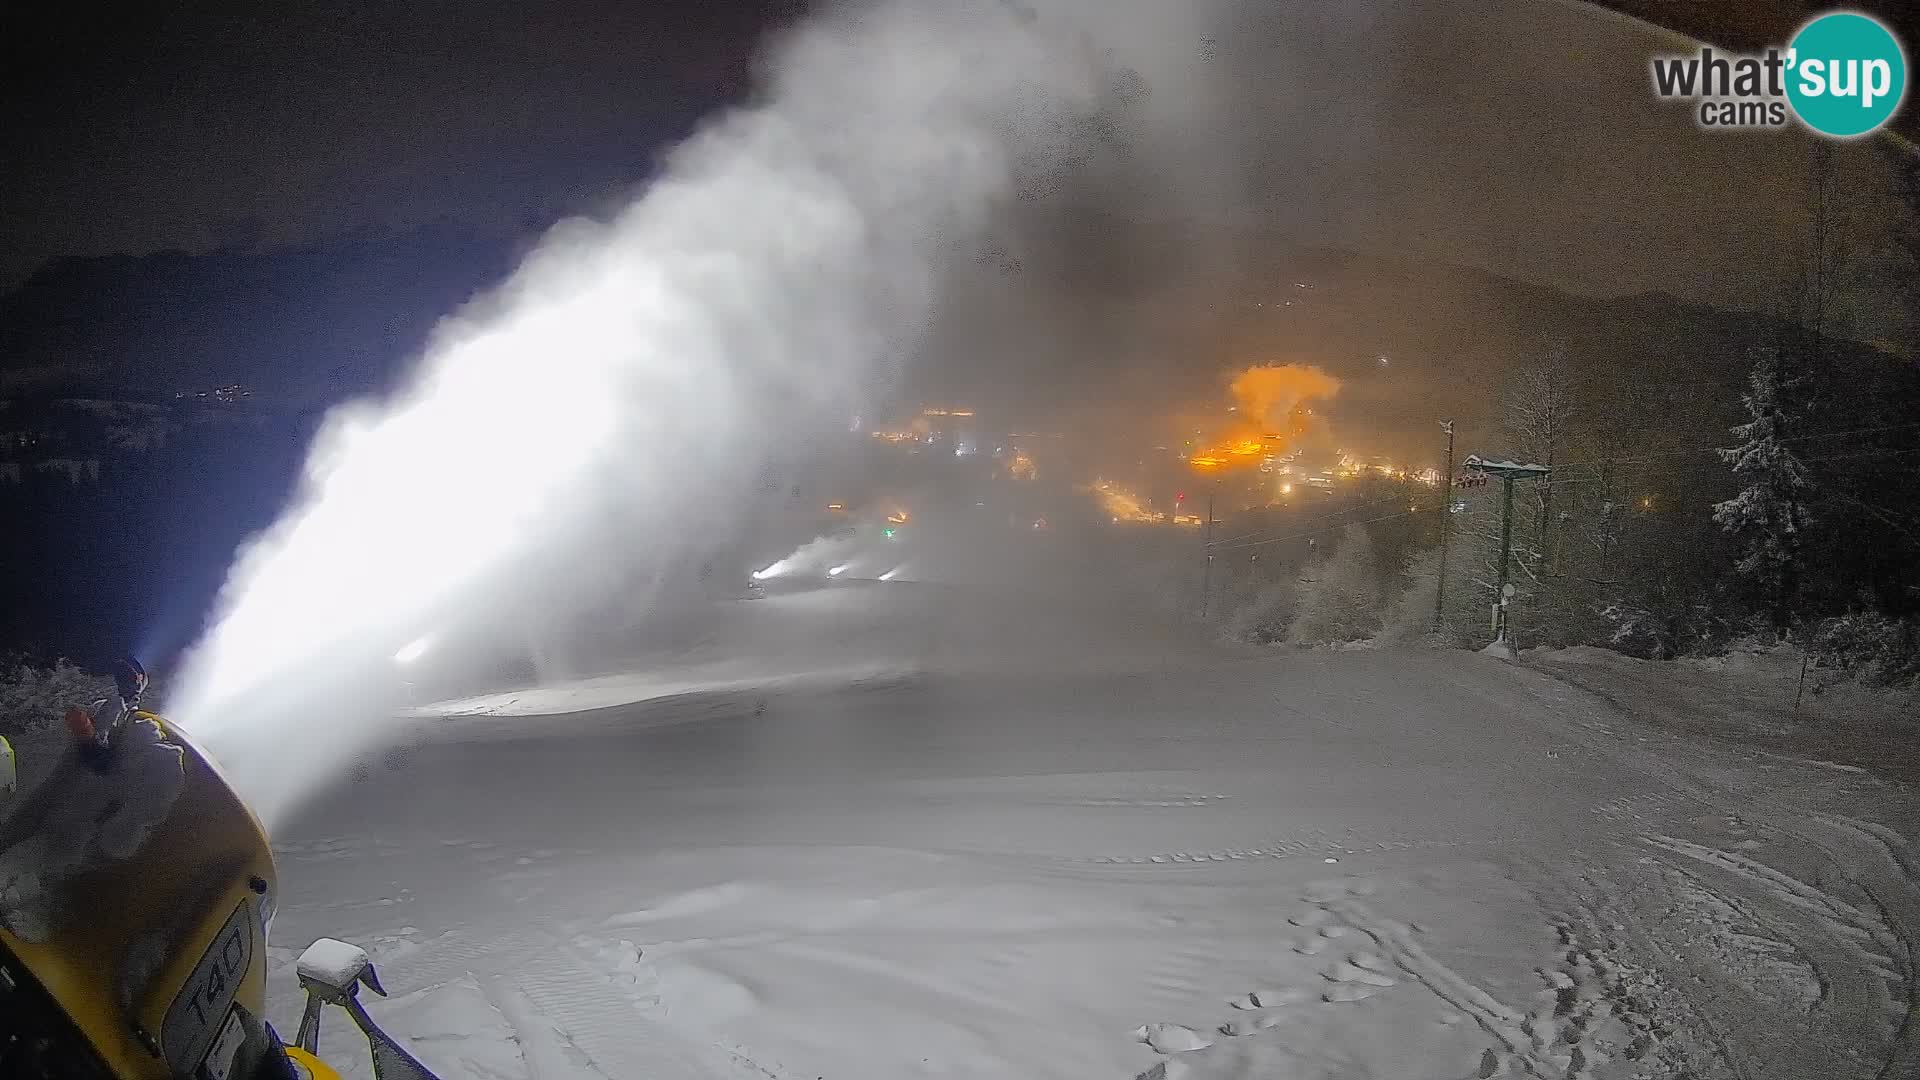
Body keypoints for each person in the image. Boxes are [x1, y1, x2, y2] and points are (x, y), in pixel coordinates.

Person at [66, 657, 148, 761]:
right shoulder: (114, 708)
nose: (137, 681)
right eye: (134, 679)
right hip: (101, 758)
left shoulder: (107, 705)